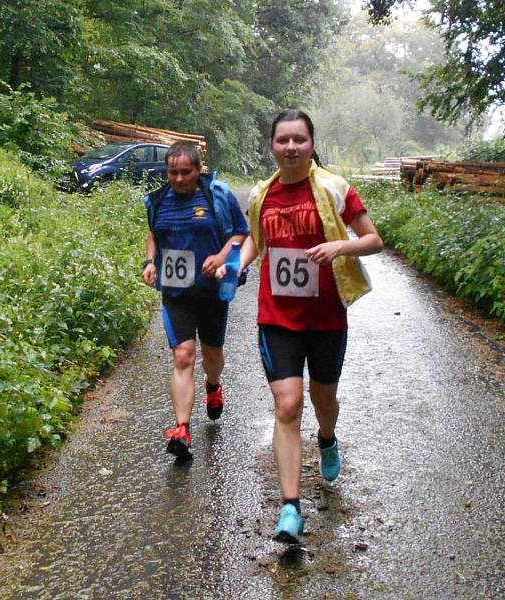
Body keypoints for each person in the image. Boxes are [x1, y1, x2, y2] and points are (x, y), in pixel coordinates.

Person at [217, 110, 383, 543]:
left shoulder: (334, 187)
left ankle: (327, 438)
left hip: (327, 316)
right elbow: (257, 238)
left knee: (322, 397)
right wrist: (239, 265)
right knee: (287, 405)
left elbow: (374, 239)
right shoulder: (261, 193)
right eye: (283, 141)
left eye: (299, 140)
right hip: (277, 317)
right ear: (272, 146)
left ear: (311, 144)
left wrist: (340, 245)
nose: (290, 148)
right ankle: (290, 507)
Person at [142, 140, 249, 460]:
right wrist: (149, 262)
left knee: (212, 352)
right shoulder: (159, 200)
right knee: (184, 355)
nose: (178, 178)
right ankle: (182, 429)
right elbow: (153, 234)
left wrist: (220, 256)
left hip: (212, 291)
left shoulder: (217, 195)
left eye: (185, 172)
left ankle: (213, 386)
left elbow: (240, 234)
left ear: (199, 168)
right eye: (172, 172)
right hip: (176, 293)